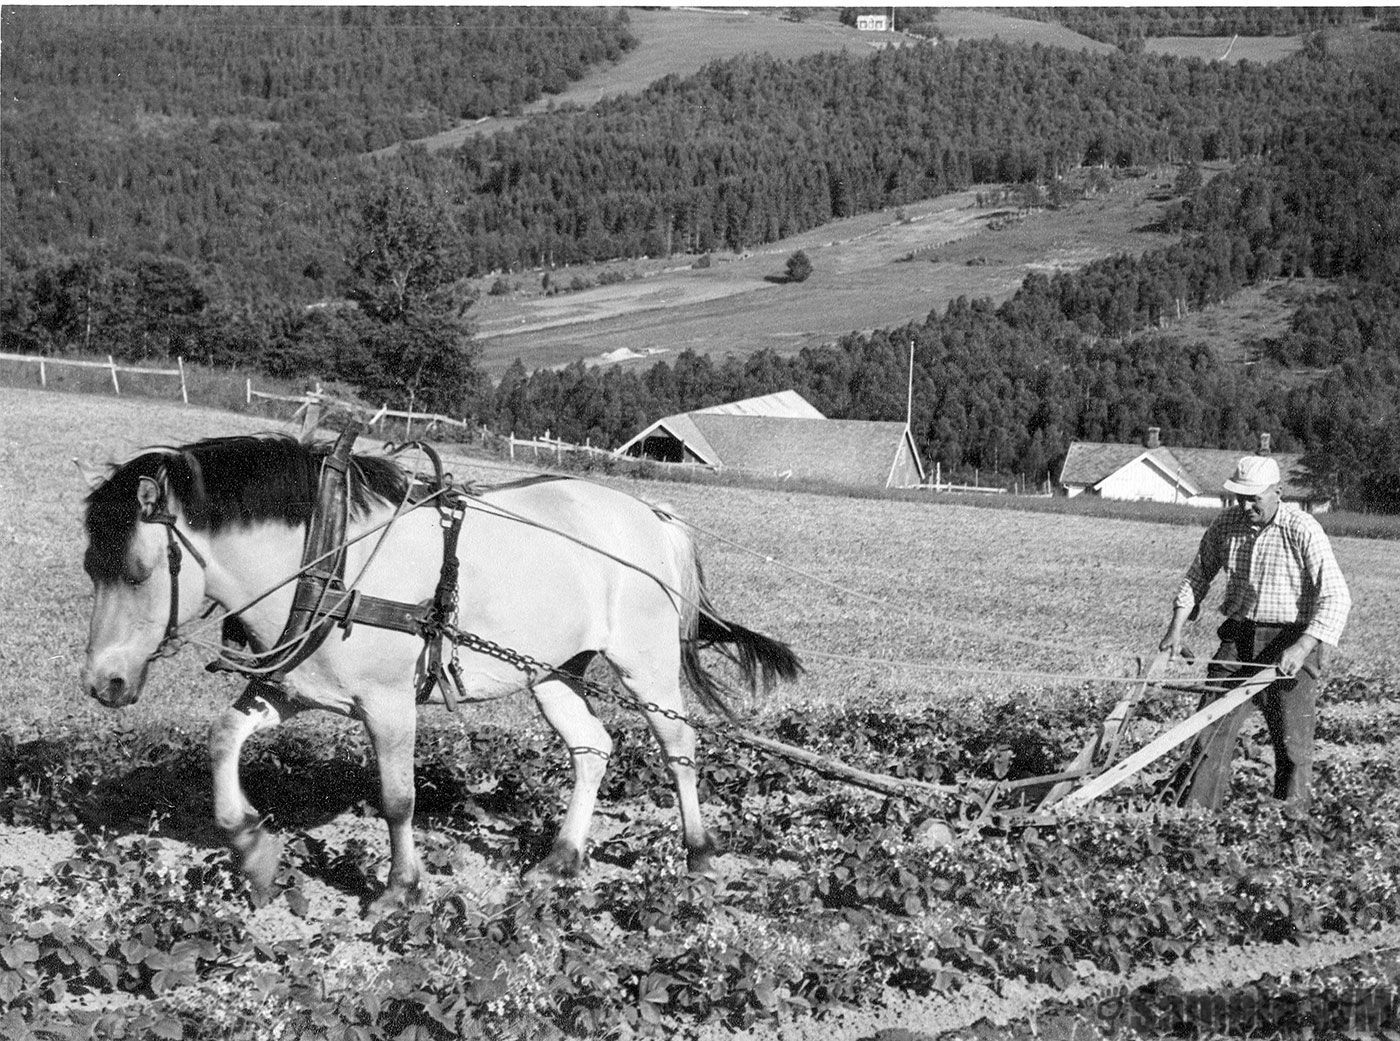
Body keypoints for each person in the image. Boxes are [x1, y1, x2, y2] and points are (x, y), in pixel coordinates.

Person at [1159, 454, 1351, 811]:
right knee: (1209, 730)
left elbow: (1336, 596)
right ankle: (1195, 819)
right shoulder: (1227, 523)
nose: (1245, 506)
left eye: (1254, 498)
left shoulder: (1302, 528)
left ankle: (1289, 826)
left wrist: (1304, 645)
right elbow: (1197, 575)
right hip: (1238, 639)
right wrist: (1176, 627)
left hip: (1290, 641)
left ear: (1277, 492)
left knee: (1292, 744)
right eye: (1239, 497)